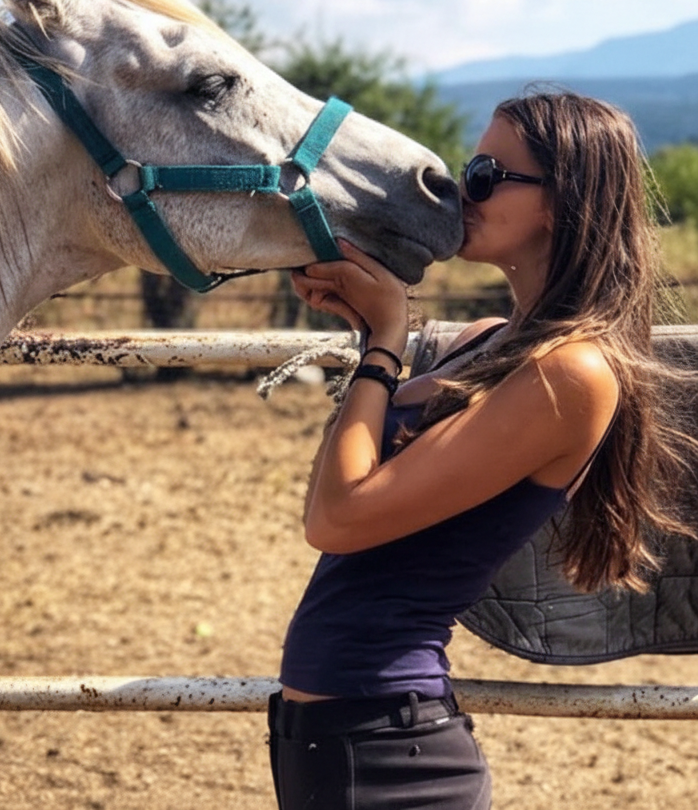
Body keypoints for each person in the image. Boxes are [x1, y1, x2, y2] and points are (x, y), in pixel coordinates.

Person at [270, 91, 695, 810]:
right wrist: (376, 338)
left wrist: (383, 348)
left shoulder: (571, 373)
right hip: (335, 732)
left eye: (486, 176)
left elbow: (337, 518)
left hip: (388, 748)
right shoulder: (484, 344)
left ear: (561, 202)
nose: (459, 189)